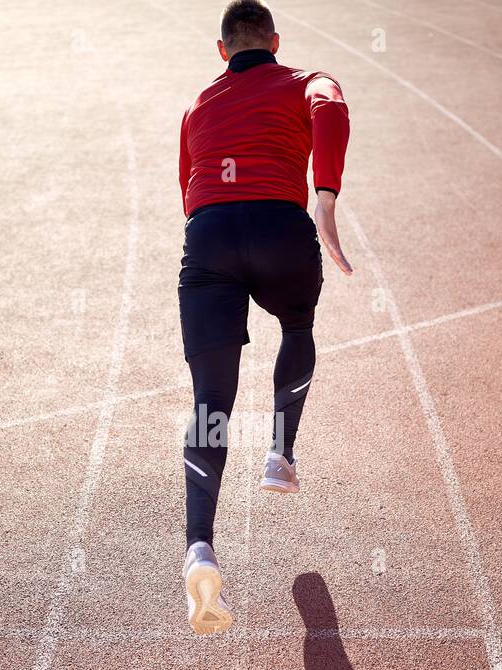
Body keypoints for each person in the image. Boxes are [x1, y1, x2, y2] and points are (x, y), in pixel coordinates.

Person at [178, 0, 352, 634]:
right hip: (281, 228)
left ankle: (200, 546)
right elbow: (330, 108)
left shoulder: (198, 104)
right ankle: (279, 454)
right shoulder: (307, 81)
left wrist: (218, 243)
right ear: (274, 42)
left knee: (210, 400)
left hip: (210, 237)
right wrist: (325, 198)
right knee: (297, 325)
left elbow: (187, 187)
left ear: (222, 50)